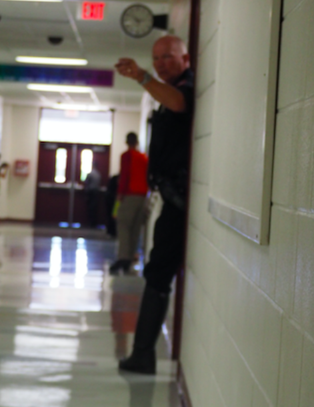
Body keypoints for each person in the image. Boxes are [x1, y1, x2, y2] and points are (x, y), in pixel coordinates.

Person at [114, 35, 194, 374]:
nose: (161, 63)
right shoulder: (164, 93)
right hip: (169, 196)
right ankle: (141, 352)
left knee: (158, 273)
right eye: (156, 58)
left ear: (185, 59)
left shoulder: (183, 88)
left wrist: (143, 77)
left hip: (178, 201)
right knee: (156, 272)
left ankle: (143, 354)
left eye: (167, 57)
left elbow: (179, 104)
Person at [110, 132, 149, 275]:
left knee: (123, 225)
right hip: (142, 196)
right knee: (135, 228)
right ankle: (130, 256)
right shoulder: (144, 157)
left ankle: (123, 258)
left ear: (127, 142)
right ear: (137, 142)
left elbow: (125, 175)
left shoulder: (127, 156)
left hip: (130, 194)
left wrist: (119, 196)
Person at [84, 163, 102, 228]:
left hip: (91, 192)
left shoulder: (90, 174)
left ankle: (91, 222)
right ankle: (94, 222)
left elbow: (86, 183)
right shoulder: (98, 174)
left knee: (91, 207)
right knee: (94, 207)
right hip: (96, 192)